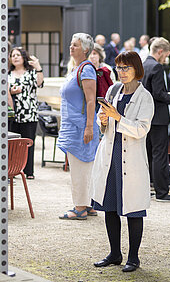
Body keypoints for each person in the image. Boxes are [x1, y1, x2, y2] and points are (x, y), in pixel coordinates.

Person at [91, 51, 153, 273]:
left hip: (132, 159)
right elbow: (105, 127)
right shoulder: (113, 90)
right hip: (111, 155)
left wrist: (118, 118)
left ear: (137, 69)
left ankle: (133, 258)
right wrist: (104, 120)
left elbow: (141, 129)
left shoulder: (145, 97)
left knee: (133, 210)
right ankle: (114, 253)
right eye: (119, 68)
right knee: (110, 206)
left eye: (126, 68)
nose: (122, 72)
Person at [58, 33, 100, 219]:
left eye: (75, 45)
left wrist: (89, 127)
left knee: (80, 168)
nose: (71, 47)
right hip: (74, 126)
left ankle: (80, 207)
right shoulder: (76, 69)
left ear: (85, 49)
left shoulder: (86, 69)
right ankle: (88, 203)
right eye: (71, 44)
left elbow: (91, 101)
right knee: (83, 166)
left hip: (80, 126)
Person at [142, 37, 170, 202]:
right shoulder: (157, 67)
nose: (166, 59)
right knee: (160, 154)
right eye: (166, 55)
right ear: (160, 52)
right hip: (159, 117)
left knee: (148, 153)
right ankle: (162, 192)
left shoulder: (144, 65)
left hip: (146, 116)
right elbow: (158, 93)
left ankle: (149, 187)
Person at [9, 47, 44, 179]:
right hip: (13, 114)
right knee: (13, 144)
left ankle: (29, 171)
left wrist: (38, 67)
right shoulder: (7, 74)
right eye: (13, 55)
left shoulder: (31, 73)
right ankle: (13, 170)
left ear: (24, 57)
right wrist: (11, 91)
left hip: (29, 113)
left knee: (28, 142)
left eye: (18, 55)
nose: (15, 57)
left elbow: (40, 83)